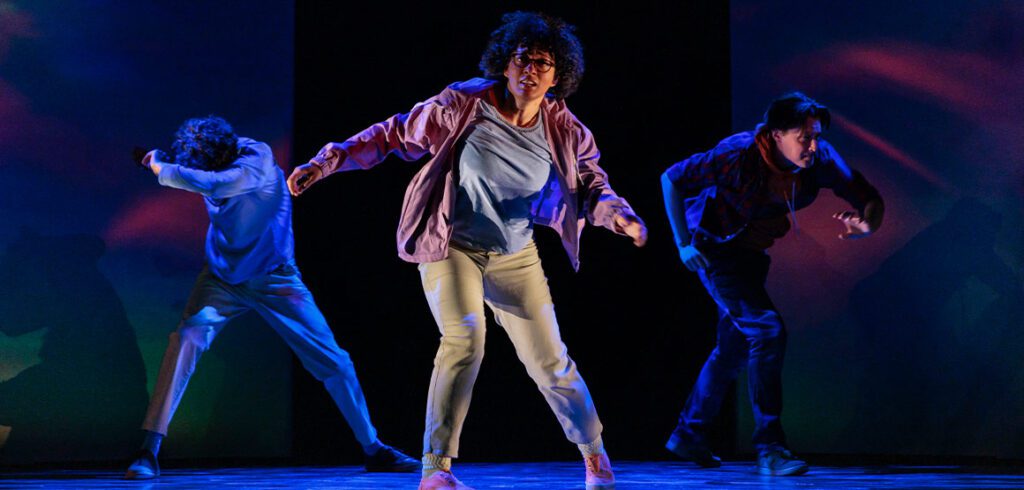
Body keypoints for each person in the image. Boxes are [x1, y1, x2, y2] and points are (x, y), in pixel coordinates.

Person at [288, 12, 647, 490]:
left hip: (516, 253)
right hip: (450, 243)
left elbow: (590, 186)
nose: (532, 70)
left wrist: (618, 216)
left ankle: (595, 458)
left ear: (558, 76)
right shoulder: (463, 103)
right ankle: (436, 472)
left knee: (550, 361)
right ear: (505, 64)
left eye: (544, 63)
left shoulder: (566, 130)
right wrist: (326, 161)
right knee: (464, 339)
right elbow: (392, 134)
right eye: (523, 58)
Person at [124, 116, 419, 480]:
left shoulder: (255, 160)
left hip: (276, 280)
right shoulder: (214, 162)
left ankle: (374, 448)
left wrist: (156, 162)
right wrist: (165, 164)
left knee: (334, 361)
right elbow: (197, 175)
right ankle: (148, 449)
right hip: (221, 280)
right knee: (185, 339)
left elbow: (209, 181)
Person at [661, 92, 884, 476]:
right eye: (804, 137)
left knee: (732, 349)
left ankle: (689, 434)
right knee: (766, 332)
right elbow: (673, 178)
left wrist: (867, 224)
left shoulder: (821, 160)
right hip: (713, 251)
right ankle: (770, 447)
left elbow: (868, 198)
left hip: (750, 258)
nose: (813, 146)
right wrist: (682, 244)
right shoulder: (738, 154)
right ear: (776, 133)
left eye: (816, 136)